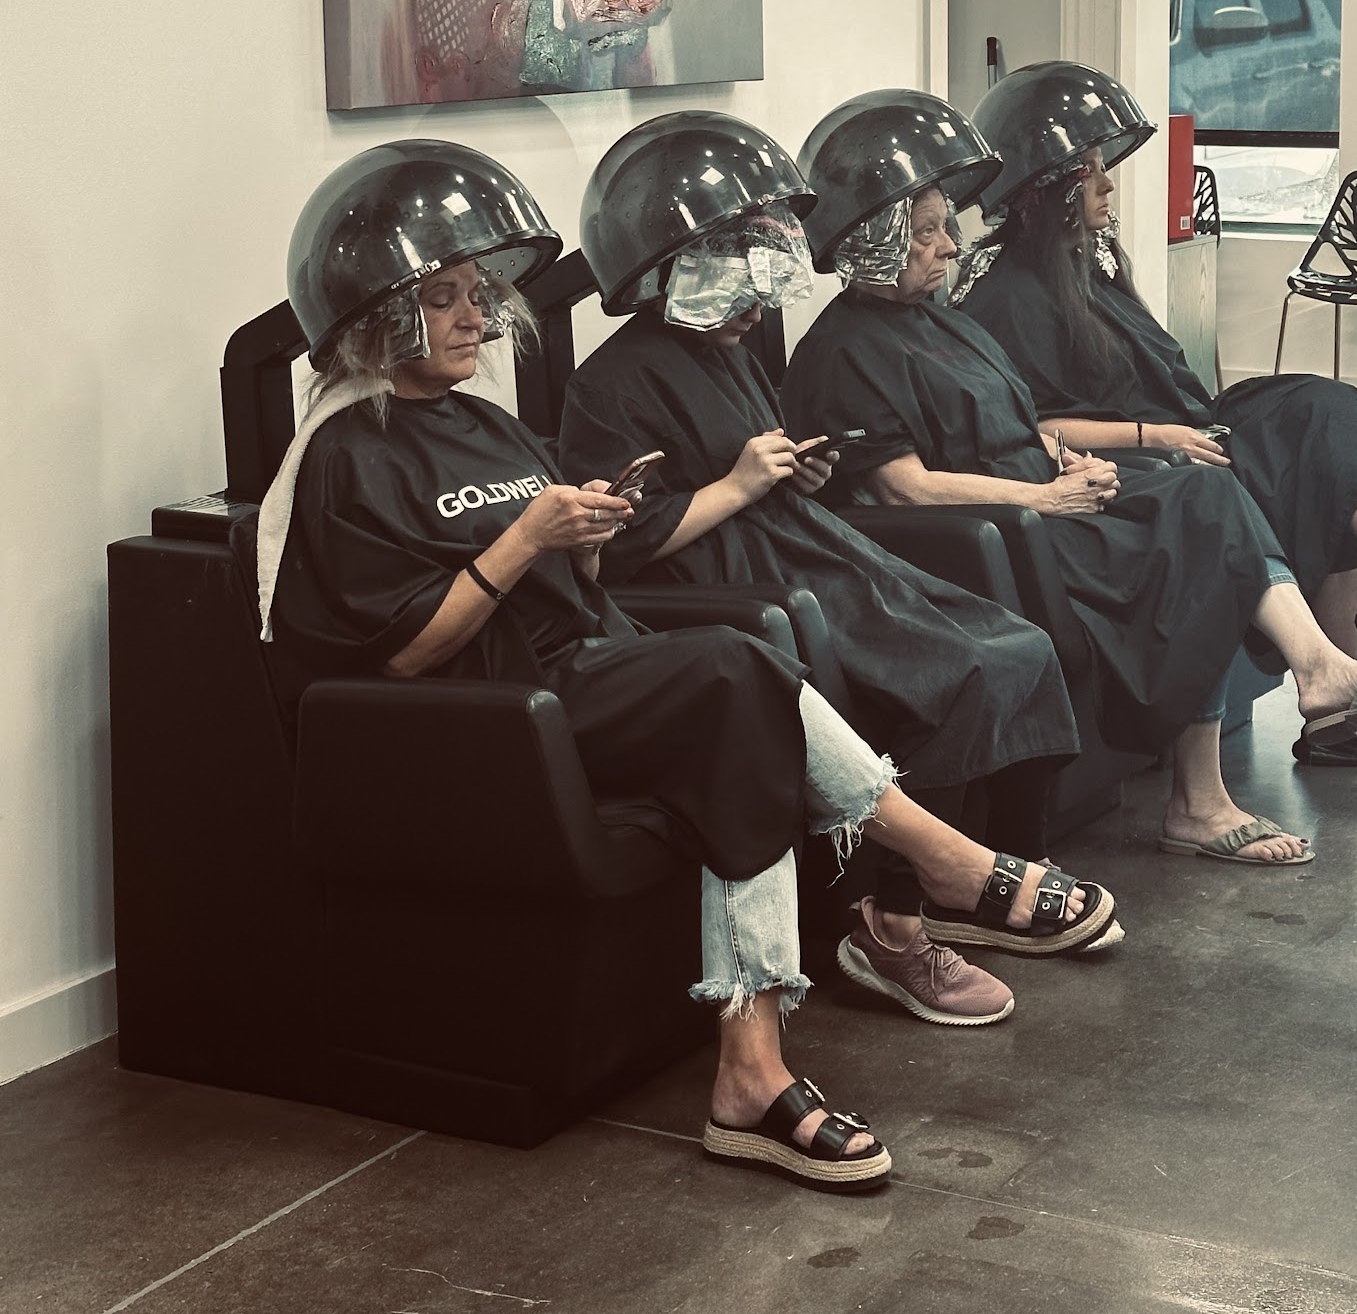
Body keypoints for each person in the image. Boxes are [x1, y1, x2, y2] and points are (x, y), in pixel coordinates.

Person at [258, 139, 1097, 1195]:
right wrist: (524, 540)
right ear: (375, 313)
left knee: (742, 710)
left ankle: (753, 1068)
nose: (479, 317)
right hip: (492, 710)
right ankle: (942, 864)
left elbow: (567, 577)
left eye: (480, 294)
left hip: (577, 662)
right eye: (446, 298)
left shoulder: (480, 420)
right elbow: (406, 651)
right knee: (736, 671)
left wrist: (586, 535)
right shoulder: (347, 455)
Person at [781, 91, 1357, 867]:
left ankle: (1317, 674)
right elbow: (900, 490)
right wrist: (1043, 495)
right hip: (994, 542)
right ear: (872, 241)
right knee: (1191, 536)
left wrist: (1064, 461)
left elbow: (1018, 425)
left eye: (946, 226)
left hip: (1043, 505)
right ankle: (1212, 789)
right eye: (926, 232)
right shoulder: (843, 352)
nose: (950, 246)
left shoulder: (941, 322)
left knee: (1206, 494)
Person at [557, 112, 1117, 1027]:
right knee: (956, 670)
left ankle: (996, 871)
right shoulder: (610, 384)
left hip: (806, 542)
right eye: (737, 290)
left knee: (1017, 643)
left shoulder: (730, 355)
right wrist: (740, 485)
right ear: (674, 273)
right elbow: (619, 546)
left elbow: (760, 462)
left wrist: (795, 473)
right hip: (730, 583)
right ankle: (892, 925)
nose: (755, 312)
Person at [960, 61, 1357, 772]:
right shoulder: (1006, 298)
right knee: (1310, 464)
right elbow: (1034, 430)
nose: (1108, 183)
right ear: (1050, 190)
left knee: (1323, 406)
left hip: (1190, 427)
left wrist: (1185, 425)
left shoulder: (1089, 267)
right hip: (1140, 458)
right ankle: (1340, 699)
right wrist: (1157, 435)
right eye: (1089, 172)